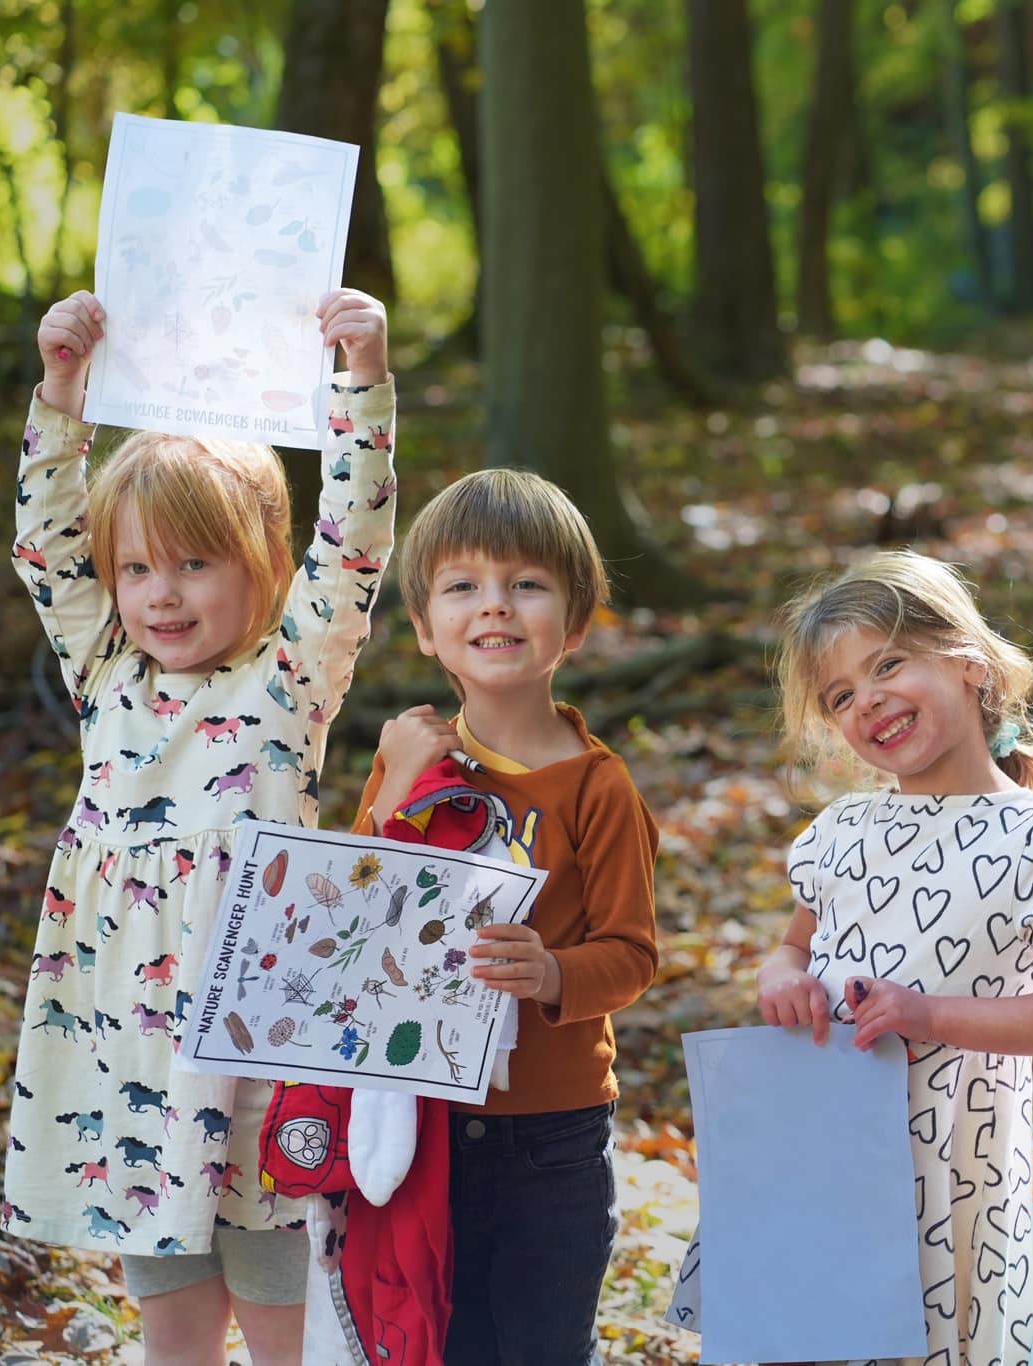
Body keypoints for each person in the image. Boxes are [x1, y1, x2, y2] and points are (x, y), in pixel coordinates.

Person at [3, 287, 397, 1365]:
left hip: (256, 1030)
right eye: (136, 567)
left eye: (192, 563)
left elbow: (353, 544)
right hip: (131, 1027)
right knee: (171, 1322)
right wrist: (64, 392)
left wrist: (358, 378)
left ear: (260, 564)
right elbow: (45, 545)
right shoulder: (105, 671)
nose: (160, 595)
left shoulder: (289, 676)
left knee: (281, 1305)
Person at [680, 550, 1033, 1365]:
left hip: (946, 1162)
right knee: (811, 1331)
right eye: (841, 695)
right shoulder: (841, 831)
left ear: (970, 664)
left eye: (888, 665)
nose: (867, 700)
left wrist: (930, 1015)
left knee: (927, 1335)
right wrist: (781, 980)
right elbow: (789, 947)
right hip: (820, 1142)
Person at [355, 467, 660, 1364]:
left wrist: (558, 970)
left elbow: (633, 952)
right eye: (463, 587)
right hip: (425, 1120)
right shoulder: (411, 753)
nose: (495, 607)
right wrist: (393, 793)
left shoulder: (597, 786)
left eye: (526, 584)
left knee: (539, 1346)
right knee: (441, 1342)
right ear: (423, 627)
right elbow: (354, 913)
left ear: (575, 616)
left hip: (552, 1138)